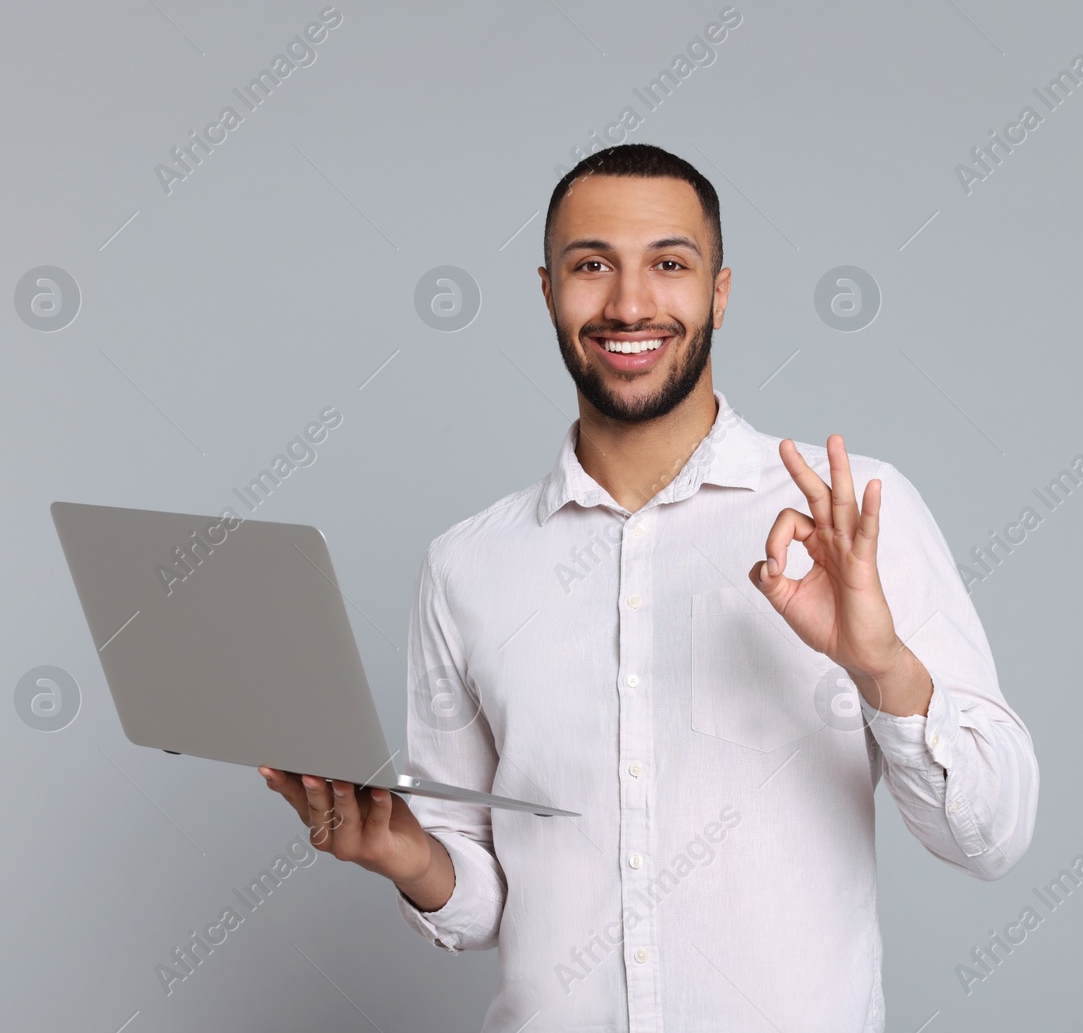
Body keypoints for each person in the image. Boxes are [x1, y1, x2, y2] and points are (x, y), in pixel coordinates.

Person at [261, 143, 1038, 1031]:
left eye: (669, 263)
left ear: (720, 290)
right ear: (549, 291)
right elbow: (480, 900)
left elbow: (993, 833)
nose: (629, 304)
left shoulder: (848, 516)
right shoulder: (466, 566)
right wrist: (407, 854)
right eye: (592, 265)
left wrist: (884, 666)